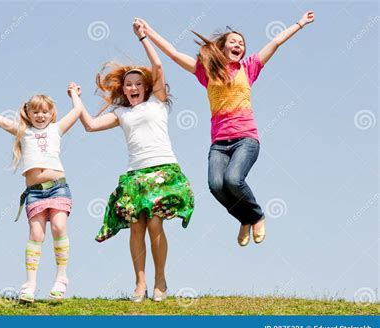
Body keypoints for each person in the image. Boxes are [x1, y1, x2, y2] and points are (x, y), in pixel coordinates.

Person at [134, 11, 315, 246]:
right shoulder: (207, 72)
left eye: (242, 43)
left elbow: (276, 42)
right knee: (216, 186)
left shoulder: (248, 67)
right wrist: (147, 33)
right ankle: (245, 219)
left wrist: (299, 24)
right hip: (219, 143)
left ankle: (257, 216)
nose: (239, 45)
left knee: (233, 180)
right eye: (234, 41)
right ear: (222, 47)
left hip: (245, 140)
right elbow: (173, 53)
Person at [77, 20, 194, 302]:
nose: (132, 88)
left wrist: (144, 38)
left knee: (155, 223)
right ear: (124, 89)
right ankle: (140, 283)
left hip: (163, 169)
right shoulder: (120, 113)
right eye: (128, 85)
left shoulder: (158, 102)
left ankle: (160, 281)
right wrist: (75, 100)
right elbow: (90, 125)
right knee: (137, 226)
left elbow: (159, 67)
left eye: (137, 83)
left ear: (146, 87)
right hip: (135, 175)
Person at [0, 84, 83, 303]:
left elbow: (77, 112)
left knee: (59, 227)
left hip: (58, 187)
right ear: (28, 113)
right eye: (35, 111)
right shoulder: (24, 132)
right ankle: (30, 285)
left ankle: (61, 279)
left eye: (44, 111)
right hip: (34, 193)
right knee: (36, 235)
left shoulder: (56, 129)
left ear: (51, 114)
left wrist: (74, 95)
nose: (40, 115)